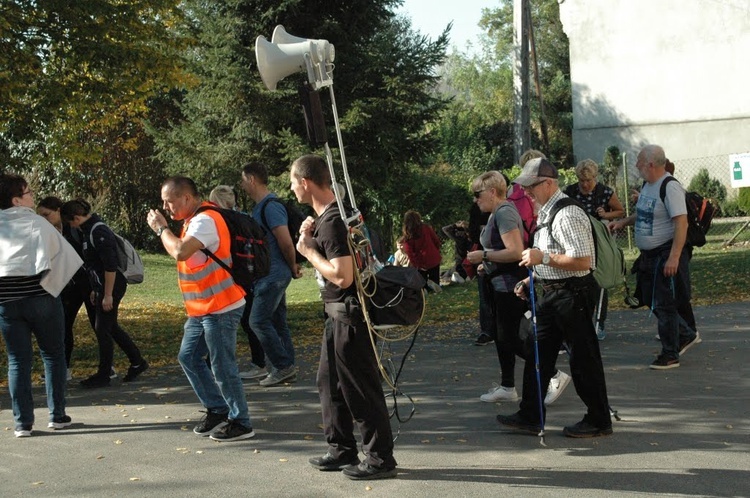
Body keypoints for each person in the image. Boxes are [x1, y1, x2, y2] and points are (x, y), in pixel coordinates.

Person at [291, 154, 397, 480]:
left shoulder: (335, 221)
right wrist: (311, 238)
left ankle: (379, 458)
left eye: (293, 182)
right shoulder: (332, 216)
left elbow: (343, 276)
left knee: (360, 388)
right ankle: (341, 448)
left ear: (306, 183)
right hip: (336, 315)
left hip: (350, 317)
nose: (292, 188)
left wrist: (308, 252)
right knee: (329, 383)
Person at [498, 157, 613, 438]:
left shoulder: (568, 213)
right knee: (538, 354)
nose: (526, 192)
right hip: (550, 294)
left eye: (531, 186)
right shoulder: (547, 212)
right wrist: (533, 277)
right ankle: (531, 414)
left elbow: (584, 261)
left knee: (583, 359)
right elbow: (551, 257)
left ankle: (599, 420)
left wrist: (543, 258)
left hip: (572, 295)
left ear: (548, 183)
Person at [146, 176, 254, 441]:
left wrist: (161, 229)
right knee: (189, 357)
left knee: (222, 365)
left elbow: (181, 251)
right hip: (202, 308)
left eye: (169, 201)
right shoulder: (192, 220)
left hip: (221, 307)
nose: (165, 206)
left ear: (186, 198)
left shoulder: (205, 220)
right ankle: (218, 408)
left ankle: (241, 421)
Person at [0, 174, 80, 437]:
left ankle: (22, 423)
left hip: (8, 304)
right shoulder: (37, 223)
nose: (33, 196)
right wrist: (52, 286)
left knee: (17, 361)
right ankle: (57, 416)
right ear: (16, 200)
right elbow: (63, 257)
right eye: (28, 192)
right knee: (53, 355)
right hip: (41, 298)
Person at [609, 145, 700, 369]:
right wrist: (623, 222)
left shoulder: (670, 187)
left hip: (664, 253)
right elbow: (644, 213)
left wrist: (674, 257)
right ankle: (685, 333)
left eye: (639, 161)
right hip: (648, 255)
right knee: (648, 298)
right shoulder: (648, 186)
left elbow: (681, 222)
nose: (636, 165)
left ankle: (670, 354)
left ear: (650, 164)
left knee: (664, 303)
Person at [60, 199, 148, 388]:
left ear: (75, 218)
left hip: (113, 285)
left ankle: (104, 374)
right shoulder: (87, 230)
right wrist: (95, 289)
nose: (70, 226)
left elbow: (110, 266)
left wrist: (107, 294)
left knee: (102, 328)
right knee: (110, 326)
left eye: (70, 222)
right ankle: (137, 362)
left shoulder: (97, 231)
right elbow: (95, 266)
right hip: (102, 286)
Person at [465, 172, 527, 403]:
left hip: (511, 285)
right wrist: (486, 263)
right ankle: (508, 386)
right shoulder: (496, 213)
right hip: (500, 282)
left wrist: (485, 255)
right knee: (503, 338)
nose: (475, 199)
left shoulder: (505, 212)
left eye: (477, 194)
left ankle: (551, 372)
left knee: (510, 338)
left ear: (492, 192)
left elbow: (516, 251)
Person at [240, 163, 299, 386]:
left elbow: (285, 241)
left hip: (273, 275)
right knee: (277, 321)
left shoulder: (270, 207)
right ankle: (286, 366)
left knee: (257, 321)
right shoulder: (260, 207)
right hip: (270, 274)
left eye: (243, 180)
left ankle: (283, 366)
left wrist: (292, 266)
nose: (242, 185)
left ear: (252, 179)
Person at [208, 185, 266, 380]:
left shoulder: (217, 220)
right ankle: (259, 361)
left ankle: (215, 365)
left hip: (223, 276)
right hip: (246, 275)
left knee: (217, 321)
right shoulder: (244, 218)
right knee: (246, 320)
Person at [563, 159, 625, 340]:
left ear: (595, 177)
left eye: (588, 180)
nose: (584, 184)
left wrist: (606, 215)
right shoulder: (570, 191)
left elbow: (620, 211)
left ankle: (600, 321)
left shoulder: (604, 192)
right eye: (581, 180)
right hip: (578, 239)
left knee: (599, 280)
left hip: (599, 241)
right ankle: (581, 320)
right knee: (579, 279)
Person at [37, 196, 97, 381]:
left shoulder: (74, 228)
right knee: (64, 324)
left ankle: (109, 366)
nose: (44, 219)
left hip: (87, 283)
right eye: (40, 216)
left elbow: (88, 255)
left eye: (47, 215)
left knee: (99, 325)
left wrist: (95, 285)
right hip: (69, 286)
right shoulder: (51, 232)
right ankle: (63, 368)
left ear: (58, 211)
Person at [401, 210, 442, 293]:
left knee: (421, 281)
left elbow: (410, 252)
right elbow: (436, 240)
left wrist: (417, 265)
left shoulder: (408, 235)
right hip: (433, 257)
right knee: (435, 280)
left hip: (421, 261)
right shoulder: (426, 228)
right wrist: (437, 251)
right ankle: (433, 285)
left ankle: (425, 288)